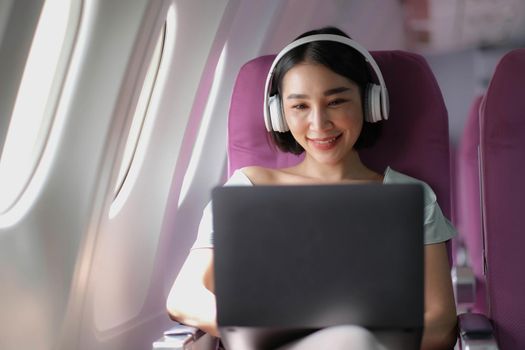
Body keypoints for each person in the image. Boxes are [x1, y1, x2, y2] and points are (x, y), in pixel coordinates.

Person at [167, 26, 458, 349]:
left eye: (335, 101)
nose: (319, 123)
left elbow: (441, 324)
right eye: (300, 106)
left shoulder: (411, 197)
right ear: (279, 115)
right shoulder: (248, 189)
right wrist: (258, 324)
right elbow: (184, 297)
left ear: (369, 102)